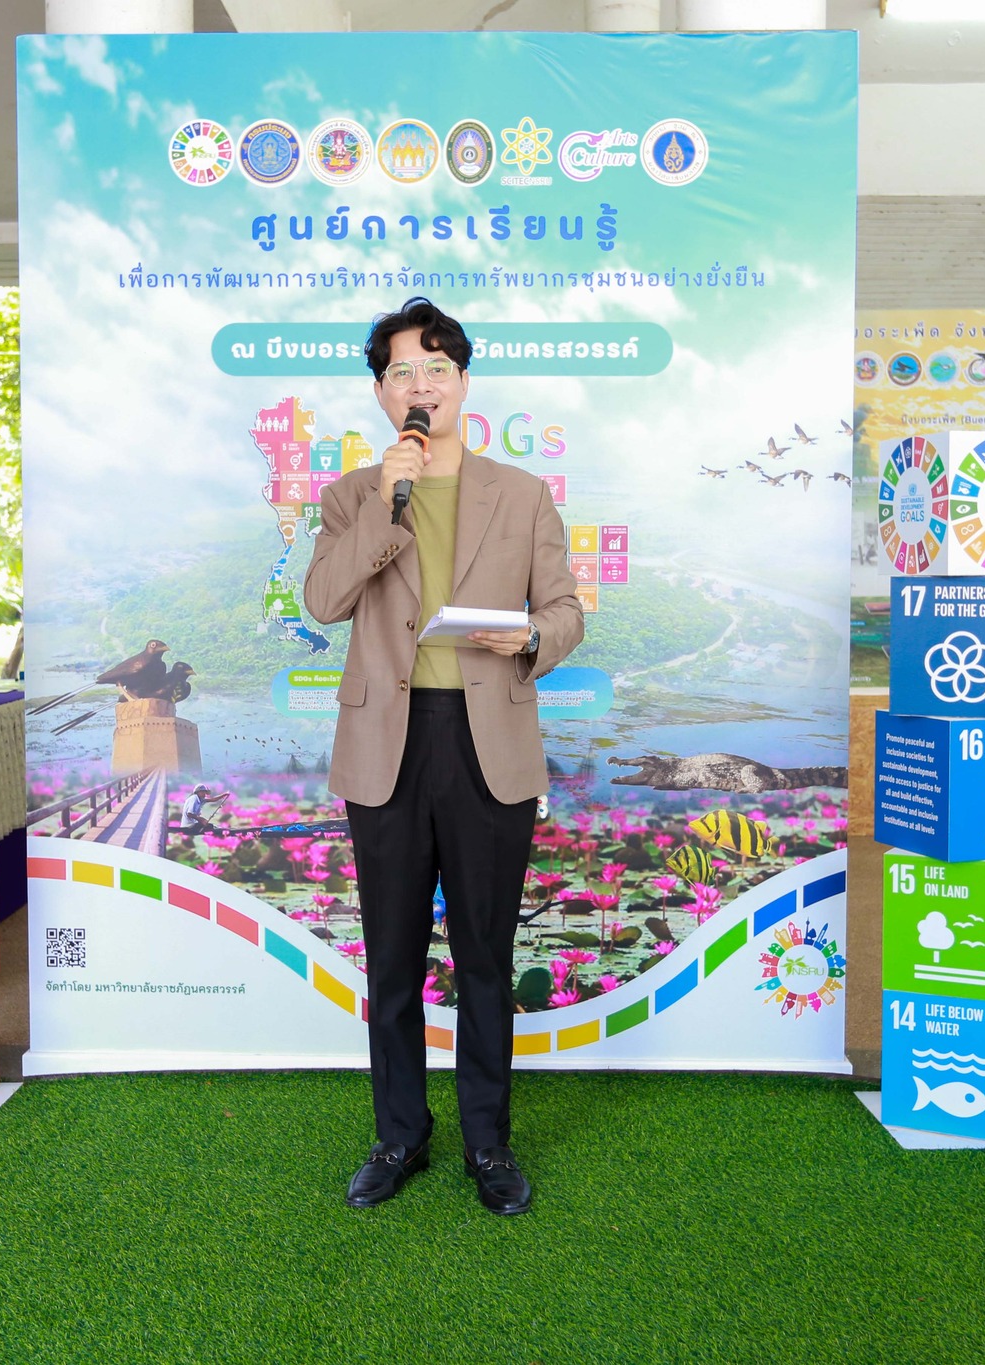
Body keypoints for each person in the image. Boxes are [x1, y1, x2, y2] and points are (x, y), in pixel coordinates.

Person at [303, 297, 583, 1215]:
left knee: (484, 958)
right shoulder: (354, 494)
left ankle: (488, 1145)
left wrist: (531, 636)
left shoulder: (523, 494)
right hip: (385, 742)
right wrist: (390, 501)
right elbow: (322, 600)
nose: (419, 384)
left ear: (462, 383)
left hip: (486, 740)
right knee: (391, 957)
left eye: (435, 369)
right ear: (382, 394)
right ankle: (399, 1135)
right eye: (401, 372)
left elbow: (566, 610)